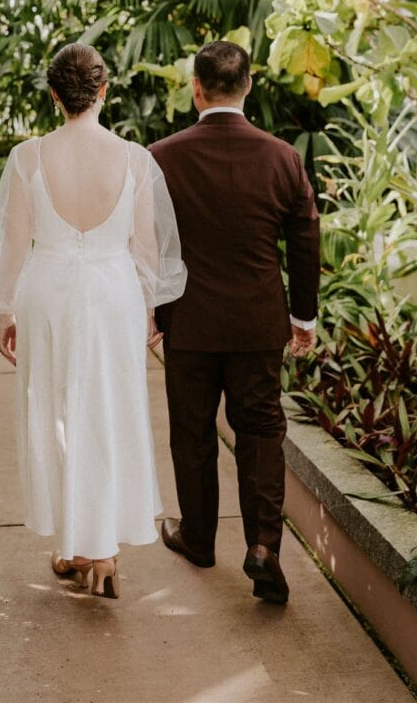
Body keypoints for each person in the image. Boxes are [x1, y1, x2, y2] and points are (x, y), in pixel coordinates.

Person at [0, 43, 186, 599]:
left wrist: (4, 312)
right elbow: (146, 250)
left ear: (53, 97)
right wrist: (146, 312)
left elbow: (14, 243)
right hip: (113, 295)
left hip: (48, 293)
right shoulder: (136, 159)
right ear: (103, 90)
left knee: (59, 411)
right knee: (109, 411)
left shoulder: (28, 158)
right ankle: (104, 553)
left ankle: (76, 546)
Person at [149, 41, 320, 605]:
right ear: (249, 87)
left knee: (192, 434)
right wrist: (303, 317)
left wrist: (151, 310)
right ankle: (264, 546)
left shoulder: (162, 157)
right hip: (256, 325)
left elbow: (147, 244)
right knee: (262, 431)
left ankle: (198, 538)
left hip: (189, 324)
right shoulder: (281, 158)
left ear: (195, 88)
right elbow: (304, 237)